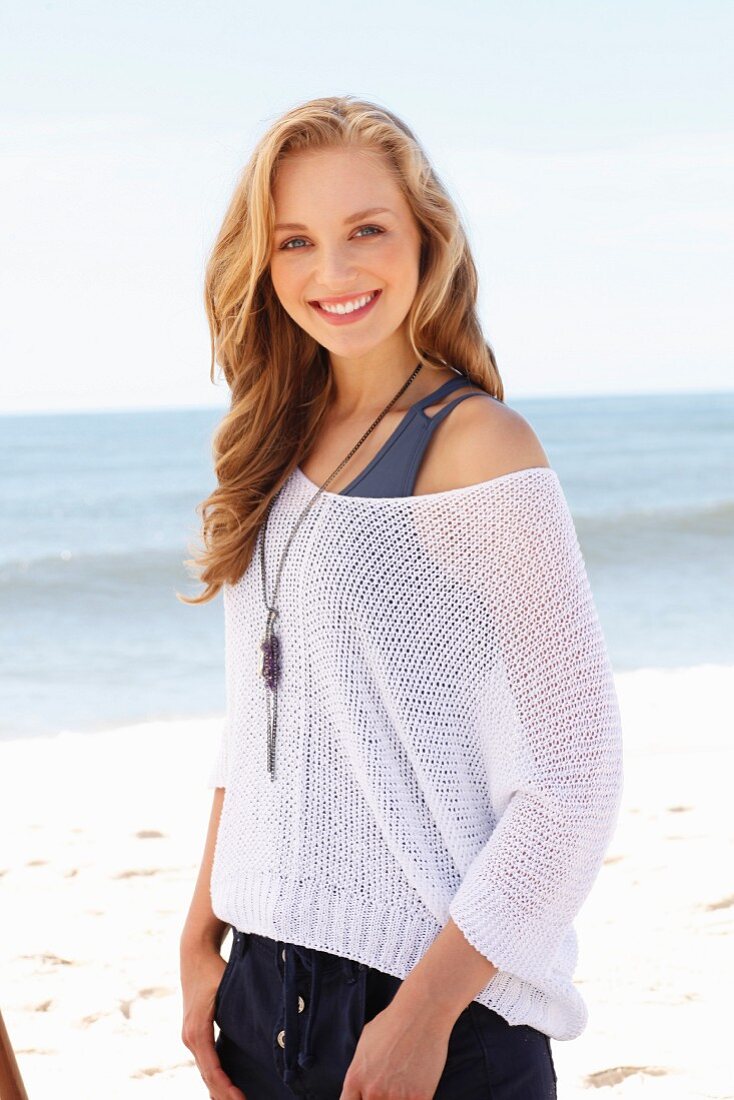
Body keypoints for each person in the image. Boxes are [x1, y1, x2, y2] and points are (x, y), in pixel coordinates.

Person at [178, 95, 624, 1100]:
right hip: (258, 987)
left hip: (425, 1002)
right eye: (295, 240)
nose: (331, 274)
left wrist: (422, 1011)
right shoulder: (276, 439)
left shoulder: (475, 445)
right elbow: (256, 723)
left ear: (426, 237)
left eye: (364, 231)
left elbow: (575, 773)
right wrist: (199, 939)